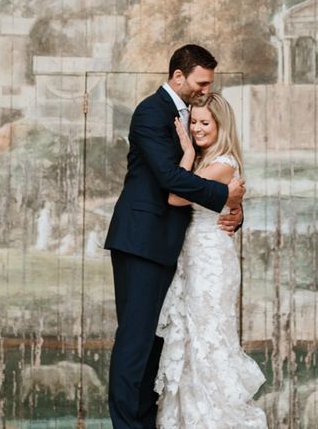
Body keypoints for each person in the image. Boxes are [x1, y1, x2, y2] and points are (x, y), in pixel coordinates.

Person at [104, 45, 246, 429]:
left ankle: (148, 421)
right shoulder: (151, 112)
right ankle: (127, 425)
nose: (205, 90)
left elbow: (206, 176)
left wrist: (233, 209)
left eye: (209, 85)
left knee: (158, 345)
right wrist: (224, 197)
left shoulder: (187, 118)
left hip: (173, 249)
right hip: (142, 242)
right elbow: (171, 181)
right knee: (136, 343)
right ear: (178, 77)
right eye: (201, 82)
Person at [155, 93, 267, 428]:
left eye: (206, 123)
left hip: (211, 259)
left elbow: (176, 195)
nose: (198, 128)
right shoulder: (205, 162)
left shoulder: (223, 164)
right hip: (192, 256)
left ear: (221, 126)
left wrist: (187, 152)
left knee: (209, 338)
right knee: (190, 338)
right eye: (195, 123)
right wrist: (190, 155)